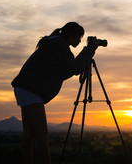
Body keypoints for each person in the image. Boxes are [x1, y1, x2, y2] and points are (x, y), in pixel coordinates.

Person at [11, 22, 98, 164]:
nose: (80, 41)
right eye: (79, 37)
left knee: (30, 136)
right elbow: (74, 69)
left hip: (25, 88)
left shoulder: (54, 43)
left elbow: (66, 70)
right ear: (71, 35)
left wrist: (86, 52)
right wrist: (91, 48)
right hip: (30, 91)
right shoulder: (59, 45)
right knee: (42, 137)